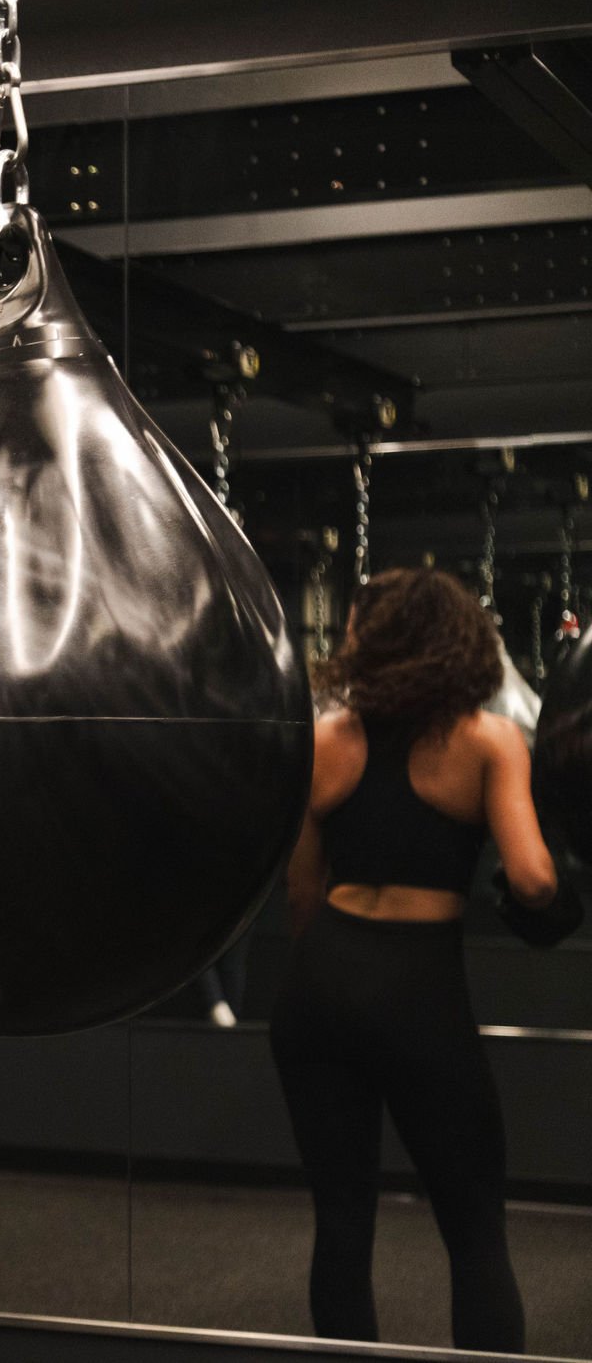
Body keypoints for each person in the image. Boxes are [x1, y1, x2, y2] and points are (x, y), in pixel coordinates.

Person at [271, 567, 561, 1353]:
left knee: (340, 1220)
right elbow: (534, 878)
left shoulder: (329, 739)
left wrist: (334, 972)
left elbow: (302, 893)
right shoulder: (486, 740)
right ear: (461, 643)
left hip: (322, 977)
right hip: (418, 986)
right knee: (474, 1231)